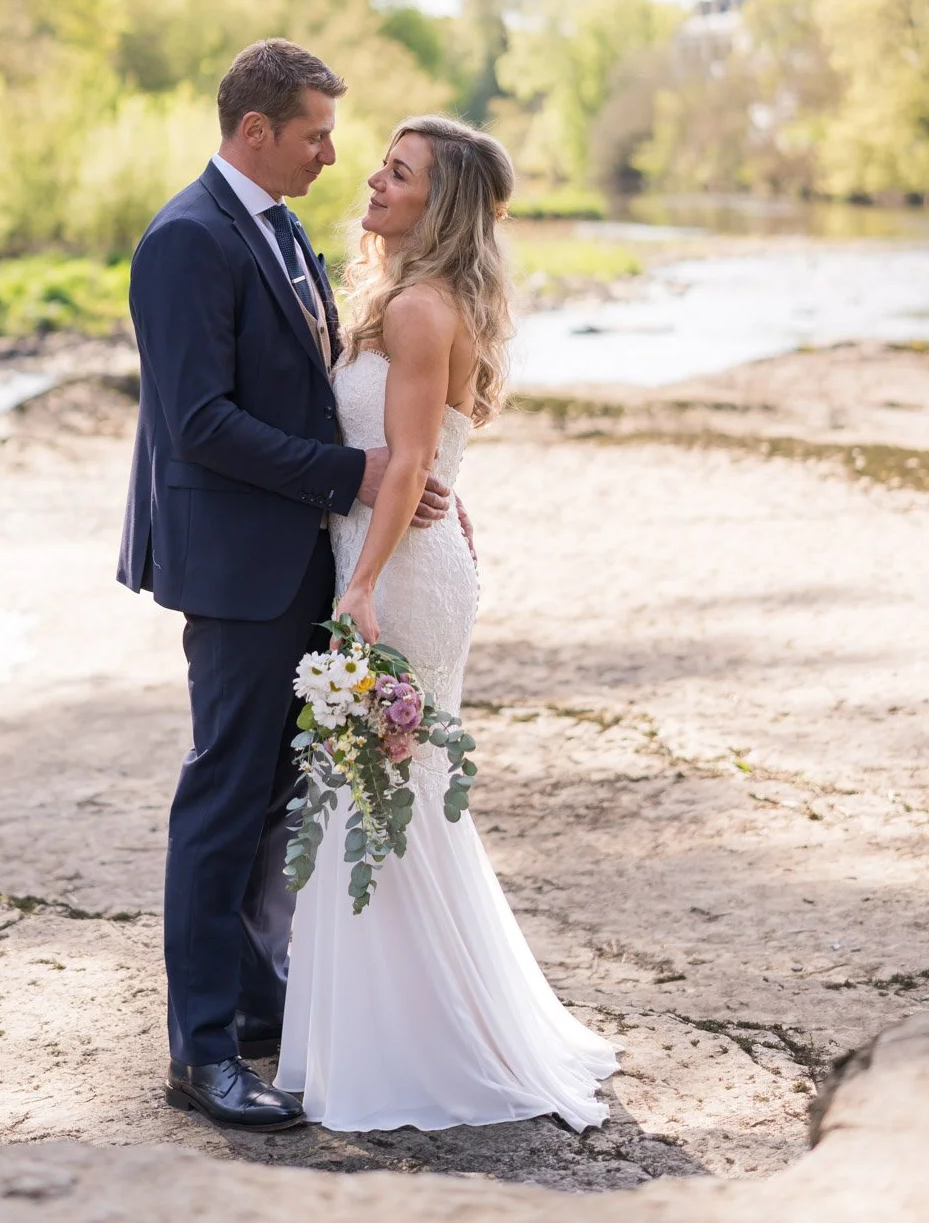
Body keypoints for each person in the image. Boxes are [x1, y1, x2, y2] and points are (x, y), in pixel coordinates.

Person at [117, 40, 454, 1132]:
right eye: (314, 132)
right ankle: (200, 1053)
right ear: (254, 130)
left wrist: (386, 481)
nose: (331, 152)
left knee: (273, 794)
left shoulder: (285, 228)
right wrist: (352, 472)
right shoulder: (182, 241)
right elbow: (199, 423)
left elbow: (310, 388)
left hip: (298, 555)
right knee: (221, 799)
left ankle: (258, 997)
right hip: (232, 566)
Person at [275, 115, 619, 1131]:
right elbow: (409, 455)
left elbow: (414, 461)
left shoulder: (423, 310)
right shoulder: (397, 298)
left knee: (389, 795)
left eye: (399, 173)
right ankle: (391, 1028)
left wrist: (360, 586)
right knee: (376, 796)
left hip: (401, 581)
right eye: (380, 164)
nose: (372, 180)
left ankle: (417, 1045)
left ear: (442, 205)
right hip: (388, 556)